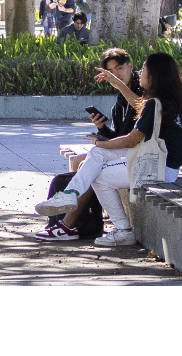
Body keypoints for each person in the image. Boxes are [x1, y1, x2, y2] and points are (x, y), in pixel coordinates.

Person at [36, 51, 182, 247]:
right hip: (162, 163)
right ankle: (69, 195)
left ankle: (123, 230)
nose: (140, 73)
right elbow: (139, 105)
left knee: (100, 175)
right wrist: (117, 83)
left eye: (144, 69)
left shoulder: (155, 103)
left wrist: (99, 142)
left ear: (154, 75)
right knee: (98, 154)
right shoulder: (171, 99)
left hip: (159, 168)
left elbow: (130, 140)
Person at [35, 47, 143, 242]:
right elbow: (119, 135)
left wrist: (118, 85)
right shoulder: (120, 99)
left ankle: (69, 220)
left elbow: (142, 109)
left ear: (130, 67)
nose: (116, 75)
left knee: (90, 166)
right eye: (111, 72)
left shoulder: (141, 90)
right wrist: (102, 129)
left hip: (142, 155)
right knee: (83, 161)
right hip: (127, 150)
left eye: (119, 69)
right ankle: (73, 214)